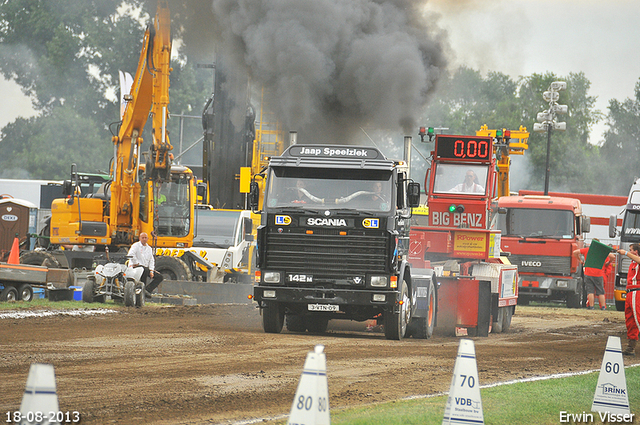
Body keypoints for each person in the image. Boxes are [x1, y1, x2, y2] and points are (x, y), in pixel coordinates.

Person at [572, 245, 615, 310]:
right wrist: (608, 262)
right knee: (601, 291)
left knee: (590, 291)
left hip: (588, 273)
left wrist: (580, 260)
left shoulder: (587, 250)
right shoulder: (601, 250)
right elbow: (612, 256)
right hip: (599, 273)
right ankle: (603, 307)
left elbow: (575, 252)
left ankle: (591, 306)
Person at [616, 244, 640, 356]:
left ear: (636, 252)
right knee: (630, 321)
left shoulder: (637, 260)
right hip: (630, 293)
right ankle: (631, 347)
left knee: (638, 318)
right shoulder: (633, 262)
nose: (628, 251)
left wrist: (625, 253)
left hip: (637, 292)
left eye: (631, 250)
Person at [128, 232, 163, 298]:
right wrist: (136, 263)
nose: (144, 239)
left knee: (159, 277)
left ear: (147, 239)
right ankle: (142, 289)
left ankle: (147, 290)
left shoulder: (149, 248)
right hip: (135, 268)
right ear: (139, 238)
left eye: (145, 238)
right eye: (142, 238)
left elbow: (151, 260)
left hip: (146, 269)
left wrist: (152, 271)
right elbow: (130, 255)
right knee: (144, 269)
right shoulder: (135, 246)